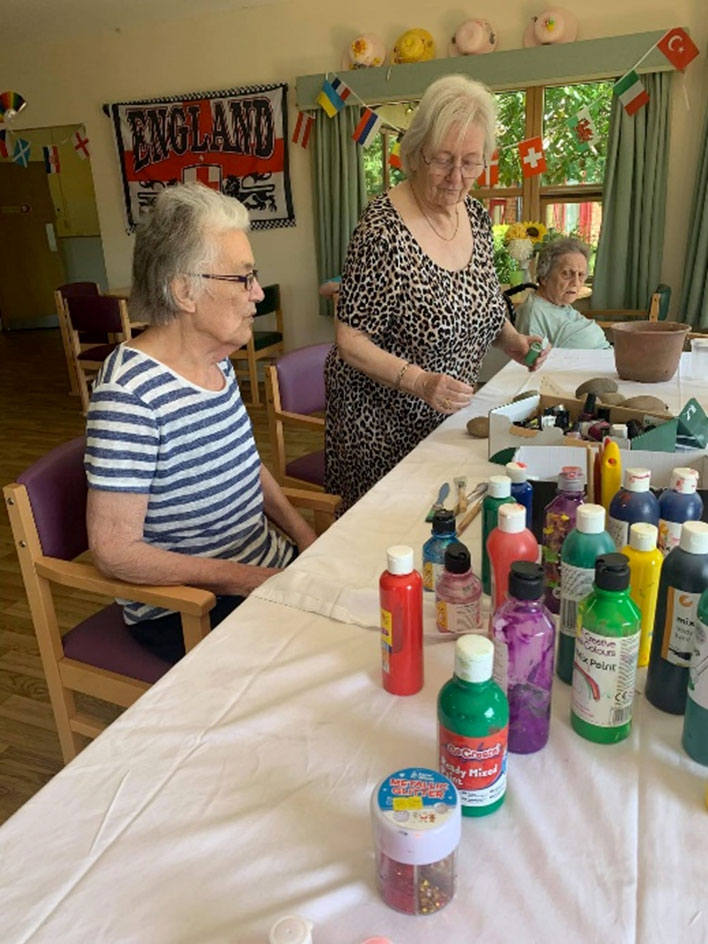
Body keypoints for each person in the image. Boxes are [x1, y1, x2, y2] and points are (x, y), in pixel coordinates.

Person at [84, 183, 317, 663]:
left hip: (261, 571)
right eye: (243, 279)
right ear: (184, 291)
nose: (257, 294)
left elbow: (245, 466)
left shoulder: (217, 361)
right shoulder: (129, 393)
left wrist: (306, 538)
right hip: (192, 606)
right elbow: (113, 550)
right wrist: (252, 581)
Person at [324, 75, 548, 514]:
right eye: (443, 160)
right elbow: (350, 341)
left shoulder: (475, 216)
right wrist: (421, 382)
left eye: (471, 162)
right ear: (416, 153)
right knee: (392, 534)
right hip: (381, 426)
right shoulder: (382, 231)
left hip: (448, 419)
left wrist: (514, 341)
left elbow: (483, 300)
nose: (456, 177)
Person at [514, 237, 610, 350]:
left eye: (581, 275)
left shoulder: (560, 303)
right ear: (544, 277)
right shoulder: (532, 314)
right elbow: (531, 358)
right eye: (567, 273)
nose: (576, 282)